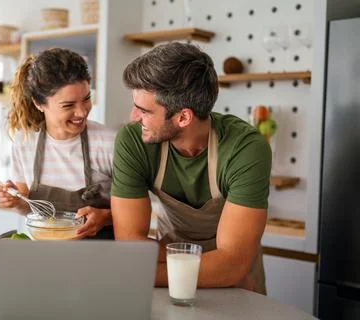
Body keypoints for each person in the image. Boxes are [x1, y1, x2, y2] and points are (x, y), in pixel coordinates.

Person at [111, 42, 271, 294]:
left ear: (183, 117)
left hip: (236, 285)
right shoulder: (133, 140)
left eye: (143, 111)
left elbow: (233, 265)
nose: (133, 117)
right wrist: (216, 268)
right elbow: (130, 244)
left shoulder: (245, 148)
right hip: (169, 272)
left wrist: (140, 272)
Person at [0, 48, 115, 239]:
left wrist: (105, 217)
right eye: (68, 105)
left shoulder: (109, 142)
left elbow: (138, 212)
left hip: (101, 257)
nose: (82, 112)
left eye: (86, 99)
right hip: (46, 254)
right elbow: (28, 208)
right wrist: (15, 202)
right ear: (39, 104)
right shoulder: (25, 142)